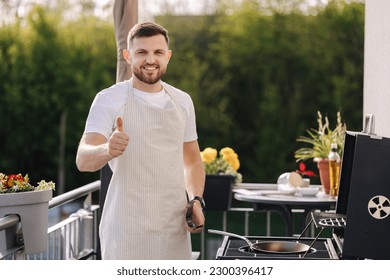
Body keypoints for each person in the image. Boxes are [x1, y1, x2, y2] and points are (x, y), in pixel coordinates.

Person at [76, 22, 205, 260]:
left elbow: (193, 161)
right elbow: (83, 159)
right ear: (128, 56)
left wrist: (196, 200)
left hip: (173, 228)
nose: (150, 60)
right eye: (142, 52)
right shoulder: (109, 99)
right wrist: (107, 149)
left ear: (168, 56)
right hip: (125, 231)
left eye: (157, 52)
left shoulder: (183, 101)